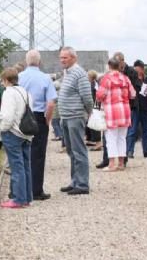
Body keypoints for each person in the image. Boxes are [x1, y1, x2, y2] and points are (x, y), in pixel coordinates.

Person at [19, 49, 56, 200]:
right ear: (39, 62)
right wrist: (47, 120)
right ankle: (36, 190)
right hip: (39, 116)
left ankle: (20, 189)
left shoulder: (19, 77)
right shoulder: (45, 78)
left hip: (21, 115)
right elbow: (51, 103)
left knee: (21, 154)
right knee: (38, 155)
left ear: (26, 61)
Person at [0, 67, 33, 208]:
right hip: (25, 133)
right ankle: (27, 196)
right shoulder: (25, 92)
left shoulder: (9, 93)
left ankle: (18, 198)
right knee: (26, 165)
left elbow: (8, 116)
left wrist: (2, 129)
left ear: (6, 80)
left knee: (17, 167)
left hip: (13, 132)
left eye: (2, 81)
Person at [58, 47, 93, 195]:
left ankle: (83, 184)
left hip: (75, 117)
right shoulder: (67, 73)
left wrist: (89, 112)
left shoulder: (79, 73)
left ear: (73, 58)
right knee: (72, 151)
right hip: (65, 117)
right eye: (61, 58)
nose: (62, 60)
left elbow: (87, 96)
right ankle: (75, 181)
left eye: (65, 58)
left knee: (79, 151)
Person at [96, 58, 136, 171]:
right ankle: (121, 163)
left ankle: (112, 164)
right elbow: (133, 94)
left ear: (109, 66)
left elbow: (99, 95)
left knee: (111, 138)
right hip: (124, 111)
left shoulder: (106, 78)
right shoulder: (125, 78)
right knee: (122, 138)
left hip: (111, 112)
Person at [126, 60, 147, 158]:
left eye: (142, 69)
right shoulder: (132, 79)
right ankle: (129, 151)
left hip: (146, 108)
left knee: (146, 131)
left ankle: (146, 151)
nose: (140, 71)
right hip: (136, 107)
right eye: (139, 69)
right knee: (132, 130)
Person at [85, 70, 102, 150]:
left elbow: (93, 97)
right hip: (95, 106)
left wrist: (91, 109)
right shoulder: (94, 84)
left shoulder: (93, 85)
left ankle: (98, 143)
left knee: (94, 124)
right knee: (89, 124)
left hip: (94, 107)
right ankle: (90, 140)